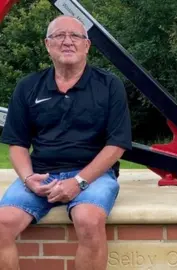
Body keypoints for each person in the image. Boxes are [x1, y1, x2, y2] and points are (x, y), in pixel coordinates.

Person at [0, 15, 132, 270]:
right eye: (59, 36)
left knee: (89, 220)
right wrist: (28, 178)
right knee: (1, 224)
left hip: (92, 175)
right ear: (47, 44)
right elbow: (16, 143)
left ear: (87, 45)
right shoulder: (28, 86)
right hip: (41, 174)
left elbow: (117, 144)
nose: (67, 42)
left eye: (75, 36)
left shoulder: (109, 85)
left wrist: (79, 181)